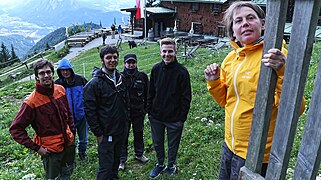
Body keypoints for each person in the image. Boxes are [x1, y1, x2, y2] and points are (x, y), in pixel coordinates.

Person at [203, 1, 305, 179]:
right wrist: (213, 82)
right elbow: (225, 100)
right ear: (233, 30)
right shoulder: (230, 59)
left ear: (263, 24)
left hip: (257, 151)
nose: (245, 23)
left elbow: (296, 109)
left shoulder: (275, 56)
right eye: (238, 21)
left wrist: (283, 71)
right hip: (230, 144)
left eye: (251, 18)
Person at [9, 59, 75, 179]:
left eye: (48, 72)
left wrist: (72, 132)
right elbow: (15, 129)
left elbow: (69, 114)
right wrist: (37, 148)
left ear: (52, 73)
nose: (46, 76)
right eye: (42, 73)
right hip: (50, 151)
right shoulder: (31, 102)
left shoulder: (60, 90)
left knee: (67, 173)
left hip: (68, 143)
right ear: (36, 77)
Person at [148, 37, 192, 178]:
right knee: (157, 143)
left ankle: (171, 165)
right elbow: (151, 92)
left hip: (174, 118)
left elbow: (186, 97)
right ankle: (160, 164)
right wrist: (149, 110)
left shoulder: (182, 72)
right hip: (156, 116)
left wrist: (181, 118)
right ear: (160, 52)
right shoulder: (155, 69)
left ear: (175, 51)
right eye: (164, 51)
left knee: (173, 145)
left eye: (170, 51)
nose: (167, 54)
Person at [83, 45, 129, 179]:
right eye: (108, 58)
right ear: (102, 60)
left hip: (120, 130)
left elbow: (127, 101)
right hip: (105, 132)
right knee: (105, 167)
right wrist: (98, 132)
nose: (112, 60)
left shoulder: (121, 79)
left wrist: (126, 121)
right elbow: (90, 111)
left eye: (115, 57)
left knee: (115, 162)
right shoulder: (94, 84)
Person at [119, 54, 149, 170]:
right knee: (123, 136)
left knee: (139, 133)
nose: (131, 65)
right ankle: (122, 160)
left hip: (138, 112)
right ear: (124, 64)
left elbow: (148, 93)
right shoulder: (119, 77)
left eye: (133, 62)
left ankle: (139, 154)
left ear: (136, 63)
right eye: (128, 63)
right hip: (124, 114)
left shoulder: (142, 76)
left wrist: (146, 109)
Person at [55, 58, 88, 161]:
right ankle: (71, 159)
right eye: (62, 70)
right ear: (59, 72)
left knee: (83, 139)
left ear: (71, 69)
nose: (65, 72)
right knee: (69, 139)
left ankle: (82, 153)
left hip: (82, 116)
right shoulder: (57, 84)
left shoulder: (80, 80)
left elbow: (89, 95)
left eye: (67, 69)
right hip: (67, 119)